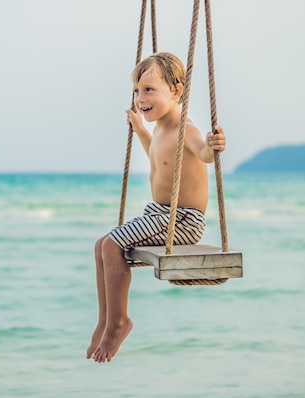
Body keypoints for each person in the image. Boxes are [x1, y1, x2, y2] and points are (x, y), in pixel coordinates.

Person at [87, 52, 227, 363]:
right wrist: (139, 128)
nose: (140, 98)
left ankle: (119, 323)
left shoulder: (185, 128)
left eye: (149, 89)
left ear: (176, 91)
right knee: (101, 246)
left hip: (182, 221)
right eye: (137, 90)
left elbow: (203, 154)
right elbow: (156, 154)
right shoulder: (162, 127)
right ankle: (105, 319)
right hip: (159, 215)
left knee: (112, 244)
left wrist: (214, 146)